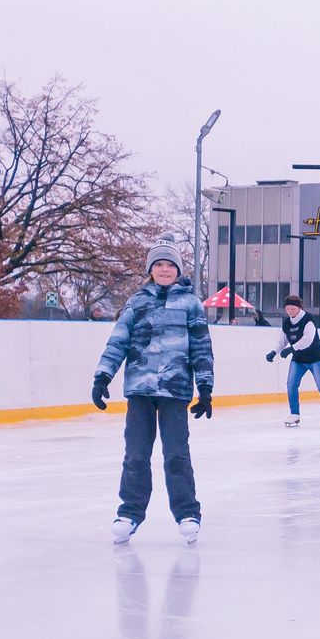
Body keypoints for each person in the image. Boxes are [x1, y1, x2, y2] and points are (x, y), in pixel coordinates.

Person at [91, 234, 214, 545]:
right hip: (140, 390)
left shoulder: (190, 304)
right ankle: (129, 512)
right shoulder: (136, 303)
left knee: (176, 455)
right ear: (150, 269)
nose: (163, 269)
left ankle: (188, 512)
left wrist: (206, 388)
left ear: (178, 269)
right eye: (158, 264)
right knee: (135, 455)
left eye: (169, 264)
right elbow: (117, 342)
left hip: (175, 390)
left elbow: (201, 348)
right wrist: (102, 376)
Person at [266, 294, 320, 428]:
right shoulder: (287, 323)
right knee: (291, 384)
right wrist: (273, 352)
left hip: (316, 357)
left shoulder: (308, 319)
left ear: (299, 308)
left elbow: (308, 339)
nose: (290, 311)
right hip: (299, 360)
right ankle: (294, 414)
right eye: (288, 309)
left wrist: (291, 349)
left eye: (293, 309)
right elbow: (282, 341)